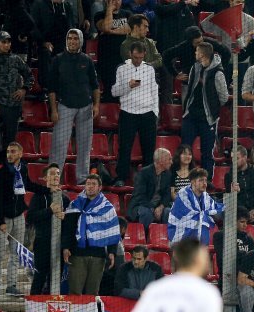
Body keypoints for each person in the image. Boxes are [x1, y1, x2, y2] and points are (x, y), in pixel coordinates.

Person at [48, 28, 100, 186]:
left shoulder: (87, 60)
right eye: (69, 38)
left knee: (85, 145)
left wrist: (96, 105)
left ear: (81, 41)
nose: (72, 41)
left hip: (86, 107)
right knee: (59, 145)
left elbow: (95, 86)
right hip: (64, 106)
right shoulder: (57, 59)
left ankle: (83, 178)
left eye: (75, 39)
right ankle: (53, 179)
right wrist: (54, 110)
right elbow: (51, 88)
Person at [0, 31, 33, 165]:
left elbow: (29, 75)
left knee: (10, 136)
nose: (6, 44)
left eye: (8, 42)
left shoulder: (16, 59)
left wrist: (24, 89)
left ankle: (7, 161)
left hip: (13, 103)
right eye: (3, 42)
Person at [62, 174, 121, 295]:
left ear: (100, 187)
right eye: (88, 184)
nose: (90, 187)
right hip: (77, 254)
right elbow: (68, 228)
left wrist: (112, 252)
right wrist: (66, 247)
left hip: (98, 256)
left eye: (93, 184)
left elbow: (111, 231)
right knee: (74, 292)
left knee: (92, 293)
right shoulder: (75, 205)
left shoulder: (107, 208)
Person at [111, 41, 159, 187]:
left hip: (147, 114)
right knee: (124, 147)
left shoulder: (150, 70)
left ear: (144, 54)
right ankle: (121, 177)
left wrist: (155, 112)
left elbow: (154, 91)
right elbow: (114, 92)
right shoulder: (121, 69)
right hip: (128, 113)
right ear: (130, 54)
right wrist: (128, 86)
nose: (137, 60)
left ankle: (148, 180)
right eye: (135, 57)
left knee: (149, 149)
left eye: (140, 57)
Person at [0, 142, 33, 297]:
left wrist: (47, 190)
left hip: (19, 217)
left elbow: (29, 186)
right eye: (8, 151)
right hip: (3, 218)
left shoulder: (24, 170)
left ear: (20, 154)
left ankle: (11, 286)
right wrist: (1, 221)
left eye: (13, 151)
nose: (9, 154)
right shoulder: (0, 174)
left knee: (16, 253)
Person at [181, 41, 228, 178]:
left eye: (197, 51)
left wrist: (212, 109)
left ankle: (206, 181)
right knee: (185, 150)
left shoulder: (218, 73)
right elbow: (190, 89)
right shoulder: (195, 68)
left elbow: (224, 97)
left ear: (202, 54)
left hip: (208, 119)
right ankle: (184, 179)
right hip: (191, 116)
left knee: (207, 153)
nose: (195, 53)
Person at [27, 163, 70, 295]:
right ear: (45, 178)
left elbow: (70, 225)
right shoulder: (39, 196)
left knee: (55, 280)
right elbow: (30, 217)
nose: (56, 176)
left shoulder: (65, 199)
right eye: (52, 173)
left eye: (58, 173)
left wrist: (66, 217)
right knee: (39, 278)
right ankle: (33, 311)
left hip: (59, 245)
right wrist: (49, 210)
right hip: (42, 244)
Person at [167, 167, 223, 246]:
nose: (204, 183)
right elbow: (192, 215)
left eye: (205, 180)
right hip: (180, 237)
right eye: (201, 180)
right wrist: (206, 214)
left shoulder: (205, 196)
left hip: (197, 242)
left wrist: (232, 192)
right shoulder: (183, 194)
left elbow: (217, 207)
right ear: (193, 182)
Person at [127, 148, 173, 237]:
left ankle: (165, 238)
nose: (172, 162)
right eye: (169, 159)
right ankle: (144, 238)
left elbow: (167, 195)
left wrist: (161, 207)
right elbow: (140, 196)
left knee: (168, 212)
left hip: (158, 206)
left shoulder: (167, 174)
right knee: (146, 212)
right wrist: (153, 209)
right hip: (141, 205)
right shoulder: (143, 173)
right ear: (161, 161)